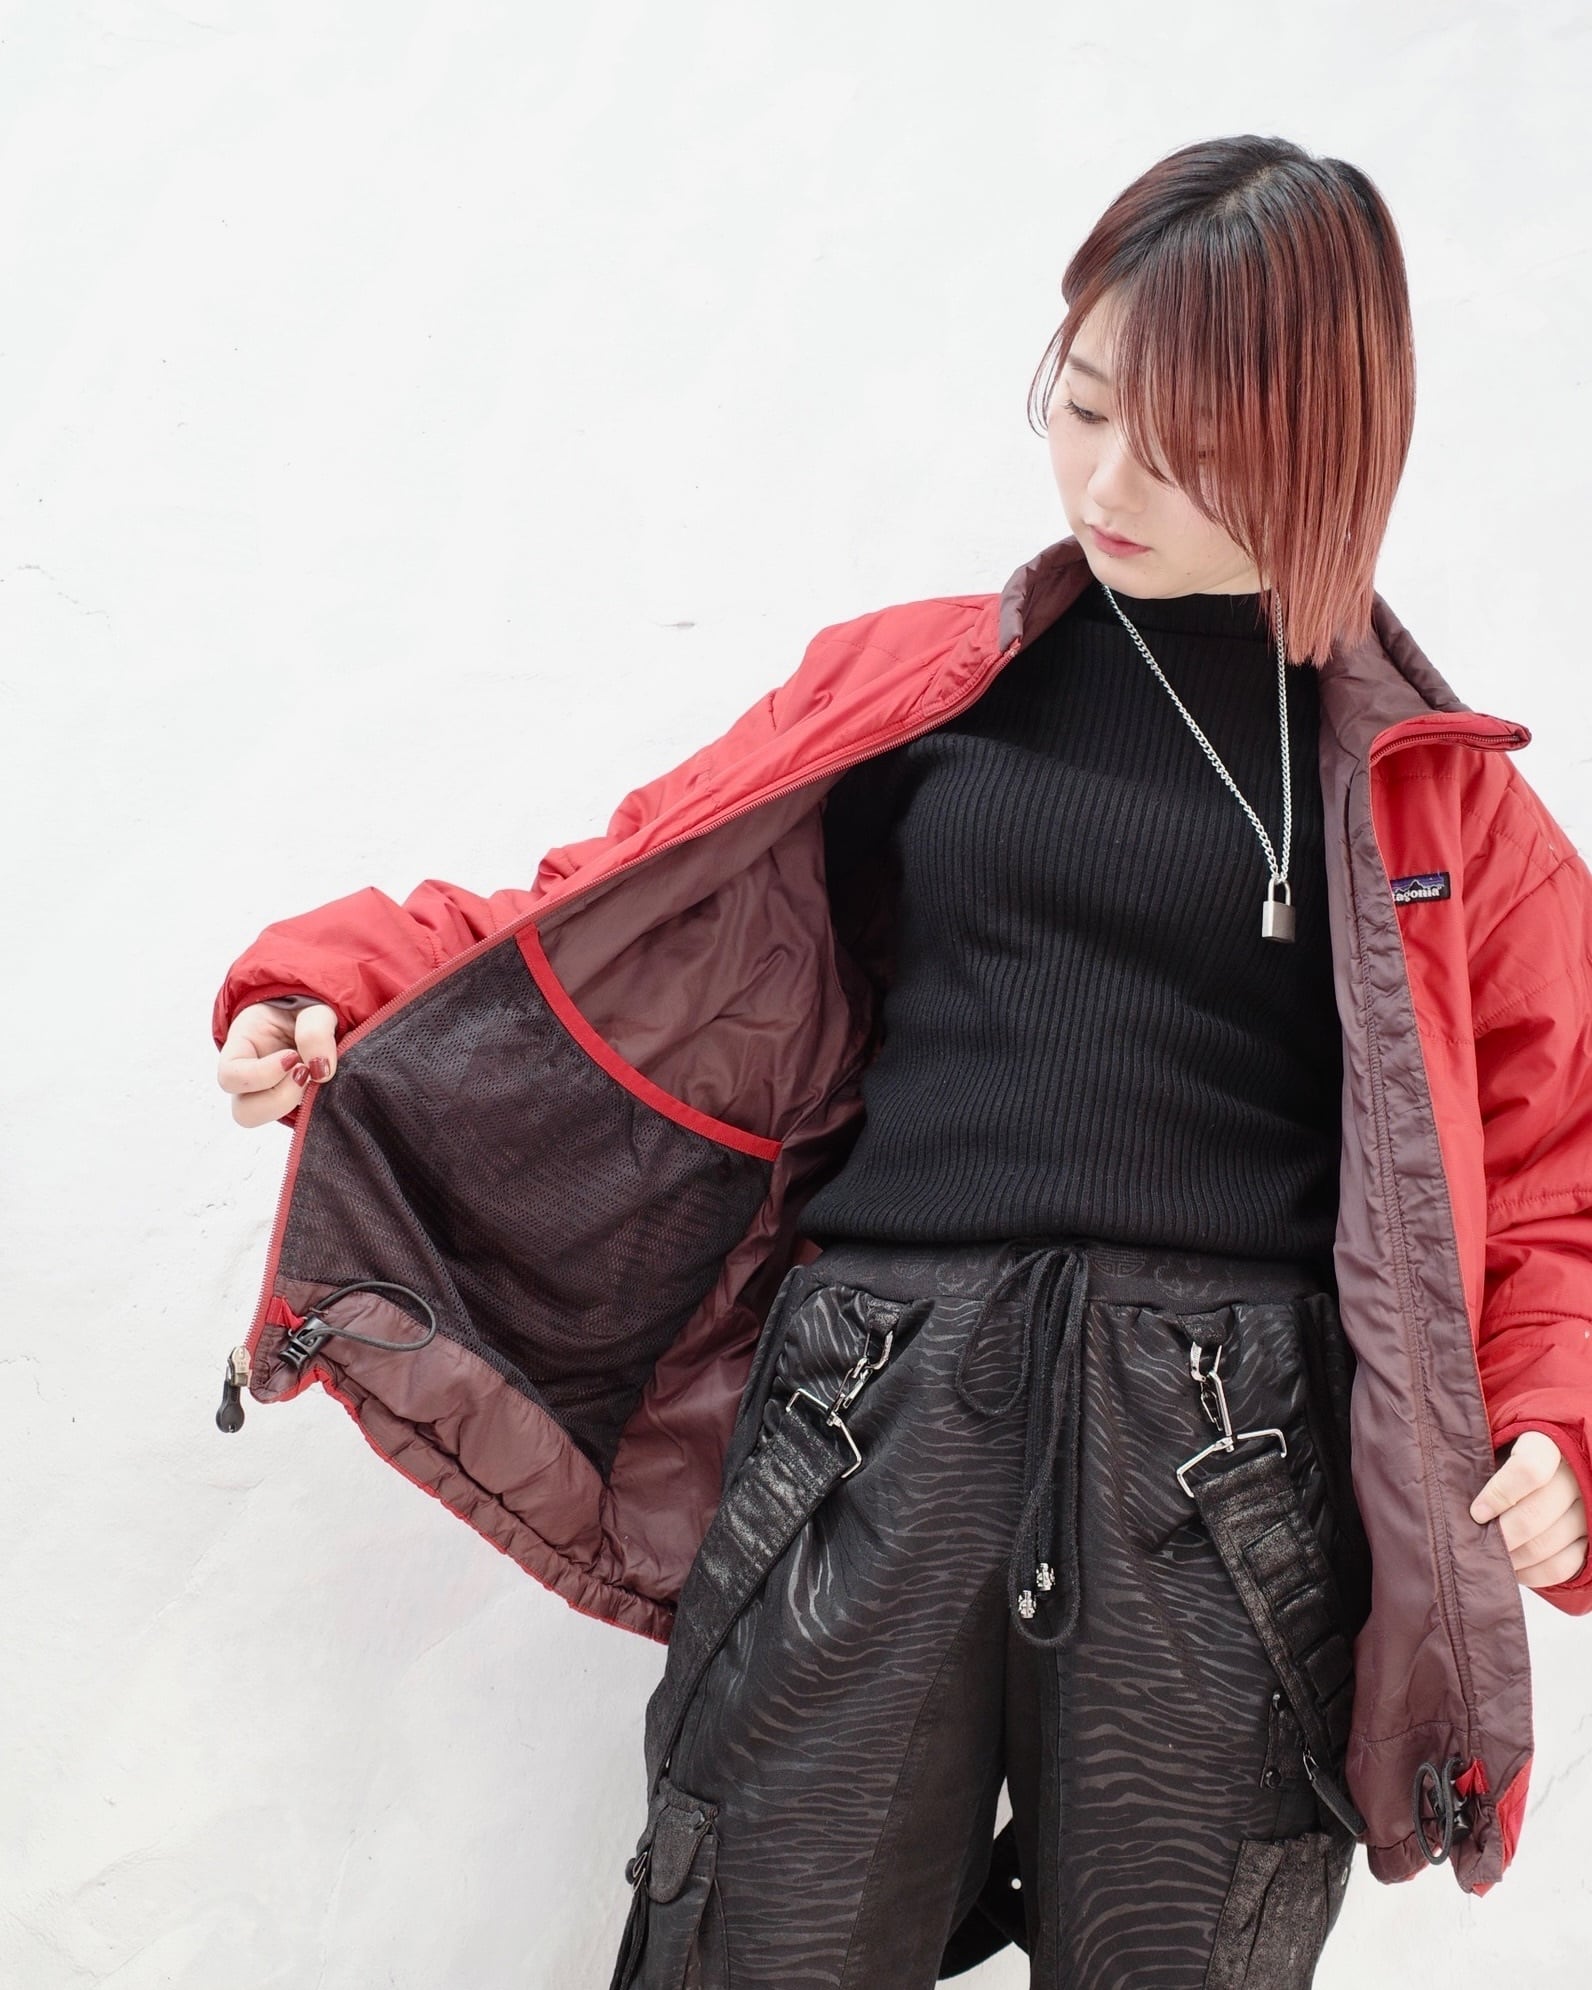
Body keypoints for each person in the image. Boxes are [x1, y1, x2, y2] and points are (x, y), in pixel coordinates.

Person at [214, 134, 1592, 1988]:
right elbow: (610, 902)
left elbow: (1563, 1149)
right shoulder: (916, 685)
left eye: (1182, 443)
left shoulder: (1437, 798)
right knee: (757, 1936)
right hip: (872, 1404)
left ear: (1321, 434)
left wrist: (1559, 1418)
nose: (1106, 480)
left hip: (1228, 1461)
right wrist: (347, 995)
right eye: (1080, 404)